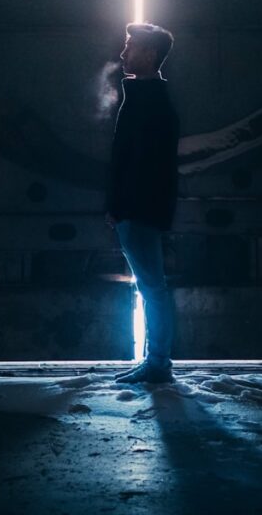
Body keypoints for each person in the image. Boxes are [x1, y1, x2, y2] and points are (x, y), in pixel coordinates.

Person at [105, 22, 180, 385]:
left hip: (138, 211)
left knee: (152, 287)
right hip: (140, 210)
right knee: (152, 287)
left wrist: (120, 207)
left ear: (149, 55)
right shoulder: (150, 101)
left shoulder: (146, 104)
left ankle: (158, 365)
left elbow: (136, 165)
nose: (123, 53)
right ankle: (157, 362)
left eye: (130, 46)